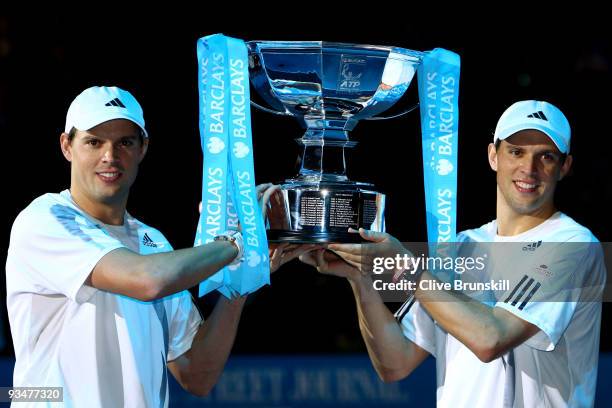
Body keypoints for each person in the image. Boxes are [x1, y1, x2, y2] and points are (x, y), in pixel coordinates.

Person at [5, 86, 308, 407]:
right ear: (67, 146)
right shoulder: (44, 220)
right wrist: (237, 243)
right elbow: (148, 281)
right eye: (94, 142)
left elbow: (197, 375)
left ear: (142, 148)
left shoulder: (154, 244)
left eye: (125, 142)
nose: (110, 156)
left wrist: (241, 278)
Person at [301, 100, 606, 407]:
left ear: (564, 167)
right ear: (493, 156)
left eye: (546, 157)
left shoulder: (574, 244)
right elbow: (396, 362)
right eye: (516, 152)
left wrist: (405, 267)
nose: (529, 168)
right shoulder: (459, 246)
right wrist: (360, 277)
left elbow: (491, 338)